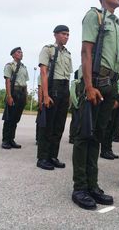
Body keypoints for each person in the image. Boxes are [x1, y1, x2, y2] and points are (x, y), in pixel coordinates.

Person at [72, 0, 119, 210]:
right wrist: (89, 86)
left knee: (97, 137)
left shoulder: (117, 25)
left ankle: (92, 185)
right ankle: (80, 187)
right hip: (95, 83)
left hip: (110, 85)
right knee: (84, 136)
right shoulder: (95, 16)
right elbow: (86, 51)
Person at [37, 25, 72, 170]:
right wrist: (45, 95)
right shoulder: (48, 49)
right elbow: (43, 73)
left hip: (64, 90)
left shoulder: (68, 54)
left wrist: (68, 95)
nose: (66, 37)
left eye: (68, 34)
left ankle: (53, 156)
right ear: (56, 35)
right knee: (48, 127)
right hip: (53, 89)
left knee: (59, 126)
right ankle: (43, 158)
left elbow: (68, 75)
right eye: (63, 34)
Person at [1, 47, 29, 149]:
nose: (21, 53)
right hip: (14, 93)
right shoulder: (9, 66)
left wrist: (26, 96)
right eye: (18, 52)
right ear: (13, 55)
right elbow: (7, 81)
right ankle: (5, 140)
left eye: (21, 52)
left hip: (21, 93)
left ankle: (11, 139)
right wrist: (9, 96)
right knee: (9, 118)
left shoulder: (24, 67)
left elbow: (25, 84)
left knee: (16, 118)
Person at [100, 71, 119, 159]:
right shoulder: (112, 72)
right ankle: (104, 150)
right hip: (113, 96)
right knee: (108, 126)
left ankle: (109, 149)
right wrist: (114, 99)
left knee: (114, 125)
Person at [68, 68, 81, 144]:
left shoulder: (80, 82)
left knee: (79, 122)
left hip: (80, 105)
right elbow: (72, 95)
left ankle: (76, 136)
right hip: (75, 105)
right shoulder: (74, 82)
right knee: (75, 122)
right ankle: (72, 137)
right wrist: (76, 105)